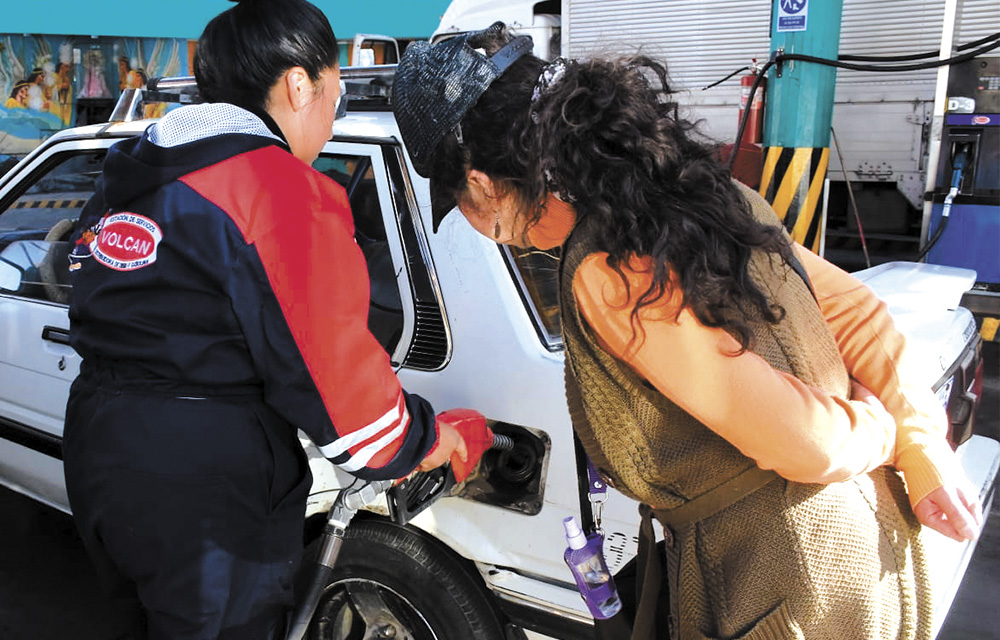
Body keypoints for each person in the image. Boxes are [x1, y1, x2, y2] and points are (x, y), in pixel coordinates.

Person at [391, 23, 983, 640]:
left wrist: (885, 433)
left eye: (458, 201)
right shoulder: (709, 193)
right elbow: (860, 313)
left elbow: (805, 441)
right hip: (870, 547)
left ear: (483, 183)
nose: (476, 225)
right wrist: (919, 447)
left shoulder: (607, 269)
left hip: (786, 583)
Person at [60, 1, 495, 639]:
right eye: (335, 96)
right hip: (204, 486)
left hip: (99, 449)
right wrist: (430, 440)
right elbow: (349, 407)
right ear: (298, 84)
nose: (331, 116)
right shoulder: (277, 191)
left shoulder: (133, 174)